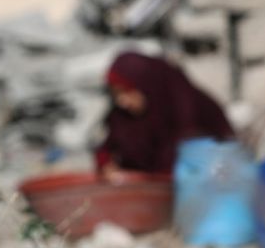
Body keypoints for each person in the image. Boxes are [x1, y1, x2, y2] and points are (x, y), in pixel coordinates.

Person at [95, 52, 235, 175]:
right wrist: (107, 164)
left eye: (128, 92)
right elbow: (109, 147)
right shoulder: (123, 116)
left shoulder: (186, 108)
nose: (122, 101)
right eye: (116, 94)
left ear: (146, 85)